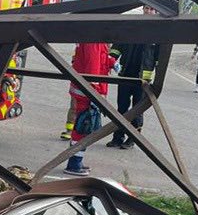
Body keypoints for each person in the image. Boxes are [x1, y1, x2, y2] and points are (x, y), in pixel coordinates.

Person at [64, 41, 117, 176]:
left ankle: (77, 160)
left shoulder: (95, 38)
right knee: (83, 127)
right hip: (88, 92)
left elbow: (99, 59)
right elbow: (92, 67)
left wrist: (111, 62)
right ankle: (74, 163)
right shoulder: (95, 40)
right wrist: (95, 93)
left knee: (83, 126)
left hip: (86, 89)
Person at [107, 39, 158, 149]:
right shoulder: (130, 30)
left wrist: (158, 80)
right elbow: (116, 48)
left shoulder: (155, 34)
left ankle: (133, 138)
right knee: (122, 107)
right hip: (126, 74)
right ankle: (117, 137)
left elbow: (159, 58)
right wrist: (110, 61)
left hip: (143, 79)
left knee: (137, 110)